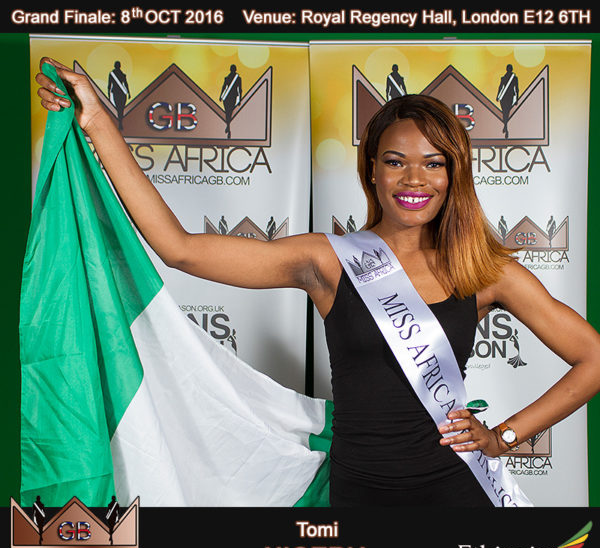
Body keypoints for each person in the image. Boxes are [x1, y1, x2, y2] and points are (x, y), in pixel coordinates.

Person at [35, 58, 600, 507]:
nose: (414, 179)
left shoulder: (485, 271)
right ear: (371, 170)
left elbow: (592, 359)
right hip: (359, 494)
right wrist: (99, 122)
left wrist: (504, 436)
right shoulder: (327, 261)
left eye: (434, 163)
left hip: (458, 492)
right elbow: (179, 249)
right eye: (395, 161)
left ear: (455, 174)